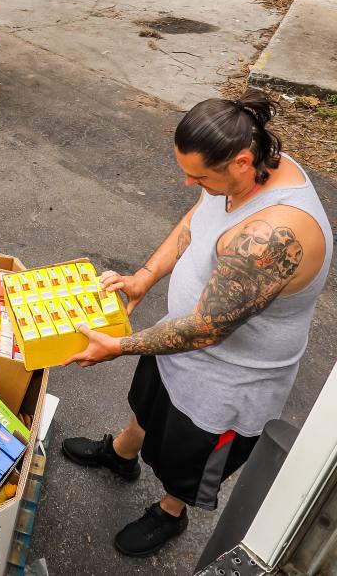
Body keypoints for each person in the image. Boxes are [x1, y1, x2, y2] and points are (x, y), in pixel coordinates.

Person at [60, 90, 332, 558]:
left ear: (242, 161)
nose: (188, 184)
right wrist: (144, 278)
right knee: (148, 405)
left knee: (190, 457)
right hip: (175, 347)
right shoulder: (243, 170)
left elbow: (206, 328)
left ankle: (170, 511)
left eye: (198, 176)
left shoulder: (278, 233)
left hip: (228, 380)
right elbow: (196, 220)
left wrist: (120, 346)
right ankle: (122, 456)